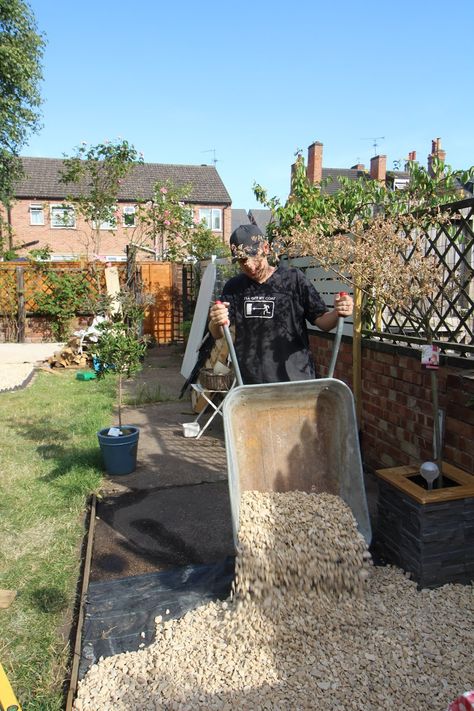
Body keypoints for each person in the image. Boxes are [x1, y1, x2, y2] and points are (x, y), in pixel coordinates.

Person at [208, 224, 353, 385]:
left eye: (252, 255)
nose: (248, 264)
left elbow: (323, 321)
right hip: (251, 384)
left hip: (295, 381)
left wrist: (338, 312)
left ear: (266, 248)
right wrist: (216, 320)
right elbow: (218, 333)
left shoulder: (293, 280)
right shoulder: (234, 287)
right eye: (242, 260)